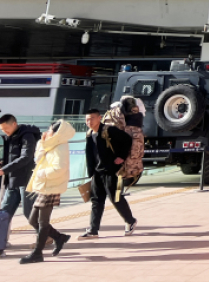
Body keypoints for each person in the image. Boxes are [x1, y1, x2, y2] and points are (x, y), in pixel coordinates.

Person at [20, 120, 74, 264]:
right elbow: (37, 159)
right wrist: (42, 143)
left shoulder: (61, 146)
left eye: (50, 130)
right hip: (45, 185)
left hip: (52, 186)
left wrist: (42, 174)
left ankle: (37, 253)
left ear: (57, 133)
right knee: (33, 220)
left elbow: (60, 168)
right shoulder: (51, 144)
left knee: (43, 222)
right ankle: (59, 237)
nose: (47, 131)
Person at [81, 109, 137, 239]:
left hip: (113, 171)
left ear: (99, 118)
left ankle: (130, 221)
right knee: (96, 200)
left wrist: (121, 156)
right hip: (97, 173)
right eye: (87, 119)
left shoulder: (109, 130)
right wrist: (91, 172)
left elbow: (127, 139)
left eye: (92, 118)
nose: (89, 122)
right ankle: (93, 230)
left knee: (116, 197)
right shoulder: (89, 134)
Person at [0, 114, 40, 222]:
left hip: (26, 180)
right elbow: (12, 157)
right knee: (4, 213)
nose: (5, 131)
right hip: (13, 180)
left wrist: (4, 170)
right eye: (2, 130)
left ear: (14, 124)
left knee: (29, 213)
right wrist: (3, 164)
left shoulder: (27, 136)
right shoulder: (10, 136)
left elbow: (26, 157)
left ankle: (47, 232)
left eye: (6, 128)